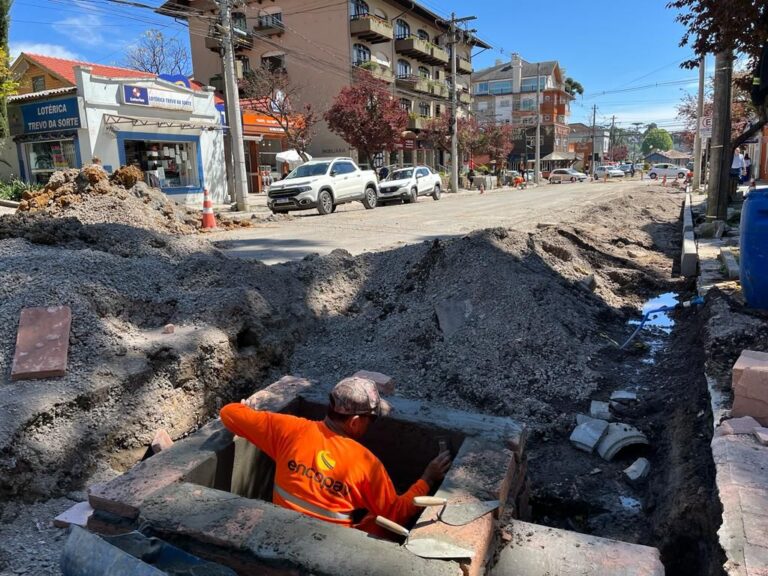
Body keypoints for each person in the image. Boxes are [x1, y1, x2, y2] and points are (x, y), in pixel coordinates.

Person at [220, 376, 451, 535]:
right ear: (355, 421)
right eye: (372, 419)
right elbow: (397, 514)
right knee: (379, 523)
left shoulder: (288, 429)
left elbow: (229, 413)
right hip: (329, 546)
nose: (371, 425)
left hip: (280, 530)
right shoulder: (366, 463)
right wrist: (427, 479)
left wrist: (247, 411)